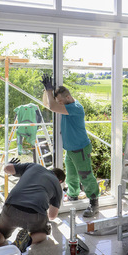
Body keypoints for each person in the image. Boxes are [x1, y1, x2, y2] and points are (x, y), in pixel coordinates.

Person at [0, 158, 65, 255]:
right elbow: (52, 216)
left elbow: (7, 169)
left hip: (11, 208)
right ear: (60, 181)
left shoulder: (33, 166)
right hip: (35, 214)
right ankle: (26, 240)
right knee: (43, 233)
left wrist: (11, 164)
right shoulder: (57, 186)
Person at [41, 74, 99, 218]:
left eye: (60, 101)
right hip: (71, 149)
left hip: (80, 148)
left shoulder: (75, 108)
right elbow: (49, 105)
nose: (58, 103)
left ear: (67, 98)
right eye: (58, 101)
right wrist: (47, 91)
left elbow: (52, 107)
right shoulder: (66, 105)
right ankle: (73, 195)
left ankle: (94, 202)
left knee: (85, 175)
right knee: (72, 175)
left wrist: (49, 91)